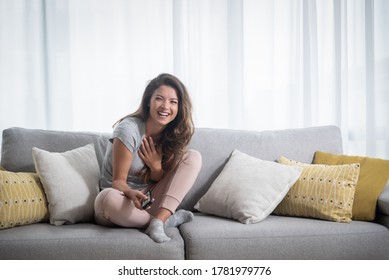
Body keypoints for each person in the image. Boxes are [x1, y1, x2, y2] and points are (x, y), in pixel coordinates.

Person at [94, 73, 202, 243]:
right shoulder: (128, 130)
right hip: (120, 199)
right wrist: (130, 192)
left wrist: (156, 167)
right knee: (106, 199)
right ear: (148, 101)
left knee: (193, 157)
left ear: (179, 107)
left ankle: (159, 220)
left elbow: (158, 179)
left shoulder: (171, 134)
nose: (165, 106)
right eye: (159, 99)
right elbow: (117, 182)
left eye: (173, 102)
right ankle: (165, 221)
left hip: (149, 201)